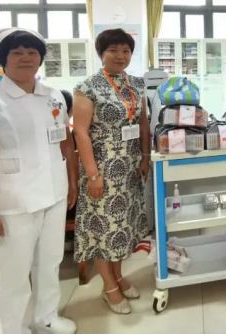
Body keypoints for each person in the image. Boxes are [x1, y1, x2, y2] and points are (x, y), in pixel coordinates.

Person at [0, 28, 79, 335]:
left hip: (55, 193)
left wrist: (72, 181)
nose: (26, 58)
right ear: (3, 59)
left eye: (32, 52)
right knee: (15, 271)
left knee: (50, 261)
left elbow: (65, 141)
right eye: (17, 53)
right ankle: (13, 328)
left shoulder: (53, 96)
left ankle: (47, 318)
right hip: (14, 201)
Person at [73, 29, 150, 315]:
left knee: (122, 226)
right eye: (113, 50)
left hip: (129, 168)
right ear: (101, 53)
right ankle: (108, 286)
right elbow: (81, 132)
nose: (120, 56)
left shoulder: (137, 84)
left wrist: (145, 157)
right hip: (102, 168)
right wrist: (93, 174)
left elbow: (143, 124)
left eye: (126, 51)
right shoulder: (88, 87)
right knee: (103, 228)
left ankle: (118, 276)